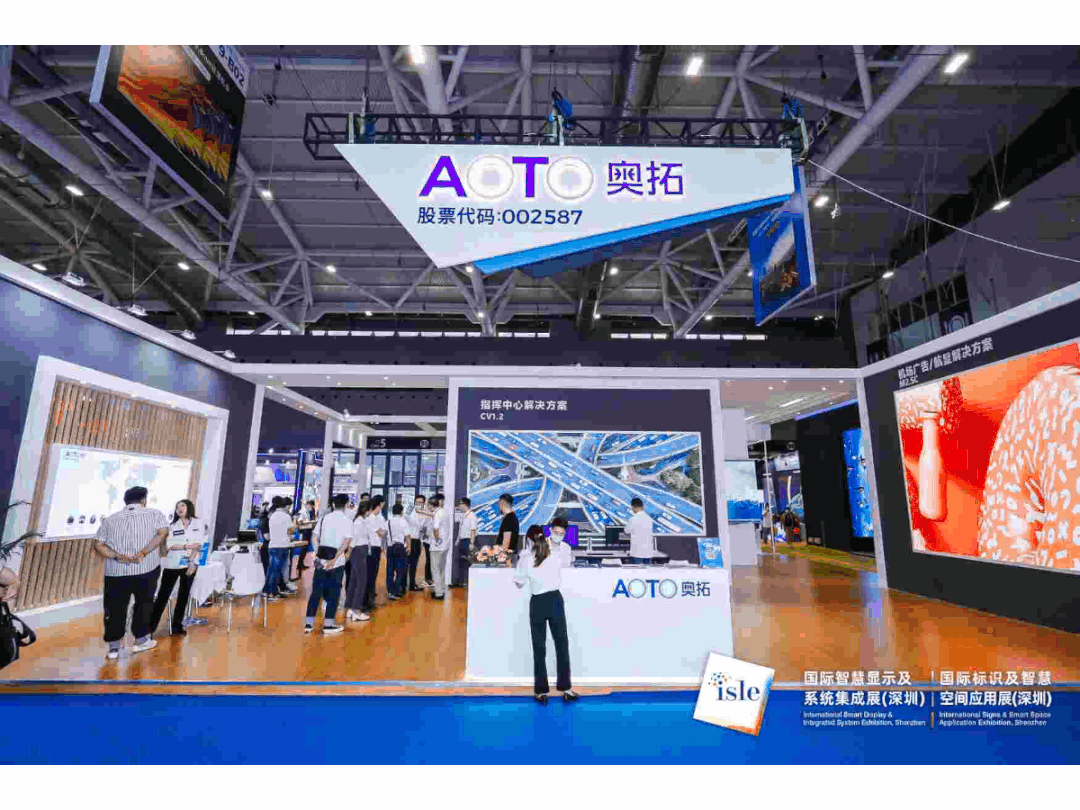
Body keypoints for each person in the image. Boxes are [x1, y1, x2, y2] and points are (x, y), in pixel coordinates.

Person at [93, 486, 170, 660]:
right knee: (144, 604)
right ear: (143, 500)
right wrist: (143, 552)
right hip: (146, 569)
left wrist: (117, 556)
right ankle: (141, 640)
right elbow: (162, 533)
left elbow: (98, 544)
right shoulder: (155, 514)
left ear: (125, 501)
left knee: (114, 607)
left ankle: (114, 648)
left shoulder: (110, 519)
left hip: (116, 572)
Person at [513, 524, 577, 705]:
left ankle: (541, 691)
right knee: (562, 644)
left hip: (538, 602)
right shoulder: (555, 555)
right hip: (555, 600)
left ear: (528, 540)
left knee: (539, 647)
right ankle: (566, 688)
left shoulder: (526, 558)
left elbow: (519, 583)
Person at [149, 499, 207, 637]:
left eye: (182, 506)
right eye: (177, 507)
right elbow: (170, 546)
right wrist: (187, 546)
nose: (179, 509)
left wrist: (192, 562)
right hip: (173, 564)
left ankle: (177, 626)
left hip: (190, 565)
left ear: (189, 507)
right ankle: (149, 630)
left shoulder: (199, 523)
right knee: (162, 596)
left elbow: (199, 544)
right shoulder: (173, 526)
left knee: (183, 596)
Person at [304, 493, 353, 635]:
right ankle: (328, 624)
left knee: (316, 592)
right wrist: (334, 559)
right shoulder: (347, 521)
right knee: (334, 592)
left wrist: (318, 552)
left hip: (321, 560)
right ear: (346, 505)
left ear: (333, 504)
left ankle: (308, 624)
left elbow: (314, 537)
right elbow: (346, 543)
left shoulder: (323, 519)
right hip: (337, 562)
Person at [344, 499, 371, 623]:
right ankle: (357, 610)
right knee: (361, 581)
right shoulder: (359, 522)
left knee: (354, 580)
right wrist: (349, 552)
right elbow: (353, 539)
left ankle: (350, 607)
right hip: (359, 551)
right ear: (367, 510)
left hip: (360, 551)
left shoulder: (360, 521)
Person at [264, 497, 292, 600]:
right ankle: (273, 593)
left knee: (271, 569)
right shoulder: (286, 516)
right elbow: (290, 531)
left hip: (272, 545)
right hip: (282, 546)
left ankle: (267, 591)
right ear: (285, 506)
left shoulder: (272, 516)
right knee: (277, 570)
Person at [364, 495, 387, 612]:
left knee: (371, 575)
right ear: (380, 504)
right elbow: (381, 533)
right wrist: (384, 532)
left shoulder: (371, 517)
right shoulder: (372, 518)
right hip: (373, 548)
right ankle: (367, 602)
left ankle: (369, 600)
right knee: (371, 575)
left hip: (372, 548)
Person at [451, 497, 478, 588]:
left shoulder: (472, 516)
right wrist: (458, 540)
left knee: (467, 562)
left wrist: (472, 543)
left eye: (460, 504)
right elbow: (461, 529)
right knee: (461, 562)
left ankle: (467, 582)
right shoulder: (464, 515)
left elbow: (473, 530)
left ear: (465, 504)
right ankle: (460, 582)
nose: (459, 506)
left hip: (468, 541)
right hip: (462, 541)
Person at [386, 504, 411, 600]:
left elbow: (384, 534)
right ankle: (396, 590)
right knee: (400, 570)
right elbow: (407, 536)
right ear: (401, 511)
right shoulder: (403, 522)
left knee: (390, 570)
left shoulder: (388, 522)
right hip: (400, 547)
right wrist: (409, 547)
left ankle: (390, 591)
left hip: (390, 547)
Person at [429, 494, 451, 600]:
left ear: (431, 505)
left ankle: (438, 593)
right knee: (441, 569)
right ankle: (441, 589)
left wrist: (437, 539)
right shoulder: (444, 512)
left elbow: (436, 529)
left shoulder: (437, 514)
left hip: (437, 547)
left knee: (435, 570)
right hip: (445, 545)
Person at [406, 494, 427, 592]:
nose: (418, 504)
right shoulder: (410, 512)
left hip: (417, 541)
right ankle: (403, 584)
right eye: (417, 502)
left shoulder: (424, 514)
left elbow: (423, 528)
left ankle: (412, 584)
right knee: (406, 563)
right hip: (408, 540)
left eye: (420, 502)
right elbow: (406, 520)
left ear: (423, 503)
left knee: (414, 564)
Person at [626, 498, 655, 564]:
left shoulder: (633, 519)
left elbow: (626, 531)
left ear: (633, 507)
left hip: (637, 552)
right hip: (648, 553)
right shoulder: (649, 519)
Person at [294, 499, 316, 574]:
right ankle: (299, 564)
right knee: (303, 548)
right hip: (304, 531)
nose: (311, 508)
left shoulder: (307, 512)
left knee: (305, 548)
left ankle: (301, 563)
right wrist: (309, 522)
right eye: (311, 506)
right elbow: (299, 521)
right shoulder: (302, 512)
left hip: (308, 531)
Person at [497, 493, 521, 562]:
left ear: (502, 503)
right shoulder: (512, 517)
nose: (498, 506)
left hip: (507, 557)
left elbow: (506, 540)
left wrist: (501, 555)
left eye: (499, 503)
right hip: (510, 555)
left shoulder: (509, 518)